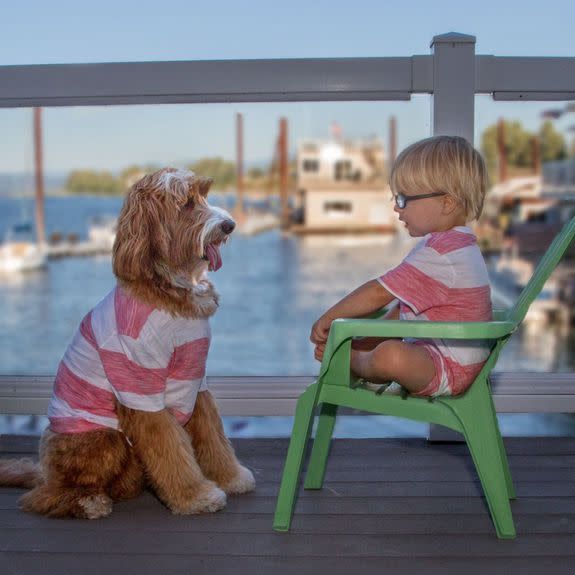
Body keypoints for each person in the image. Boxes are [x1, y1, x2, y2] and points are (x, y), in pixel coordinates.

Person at [310, 135, 492, 397]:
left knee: (391, 356)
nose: (396, 207)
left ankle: (357, 362)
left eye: (404, 198)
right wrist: (367, 337)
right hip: (443, 356)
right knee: (405, 305)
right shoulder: (457, 244)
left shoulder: (443, 252)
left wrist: (330, 318)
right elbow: (402, 306)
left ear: (447, 203)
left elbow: (377, 293)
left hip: (448, 368)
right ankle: (365, 349)